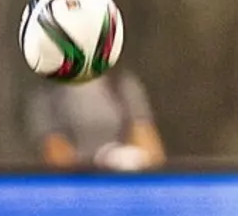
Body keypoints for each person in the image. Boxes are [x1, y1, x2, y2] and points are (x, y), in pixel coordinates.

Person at [28, 68, 166, 170]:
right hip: (79, 191)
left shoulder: (124, 86)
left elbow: (151, 149)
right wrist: (101, 163)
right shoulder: (46, 96)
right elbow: (56, 156)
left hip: (127, 186)